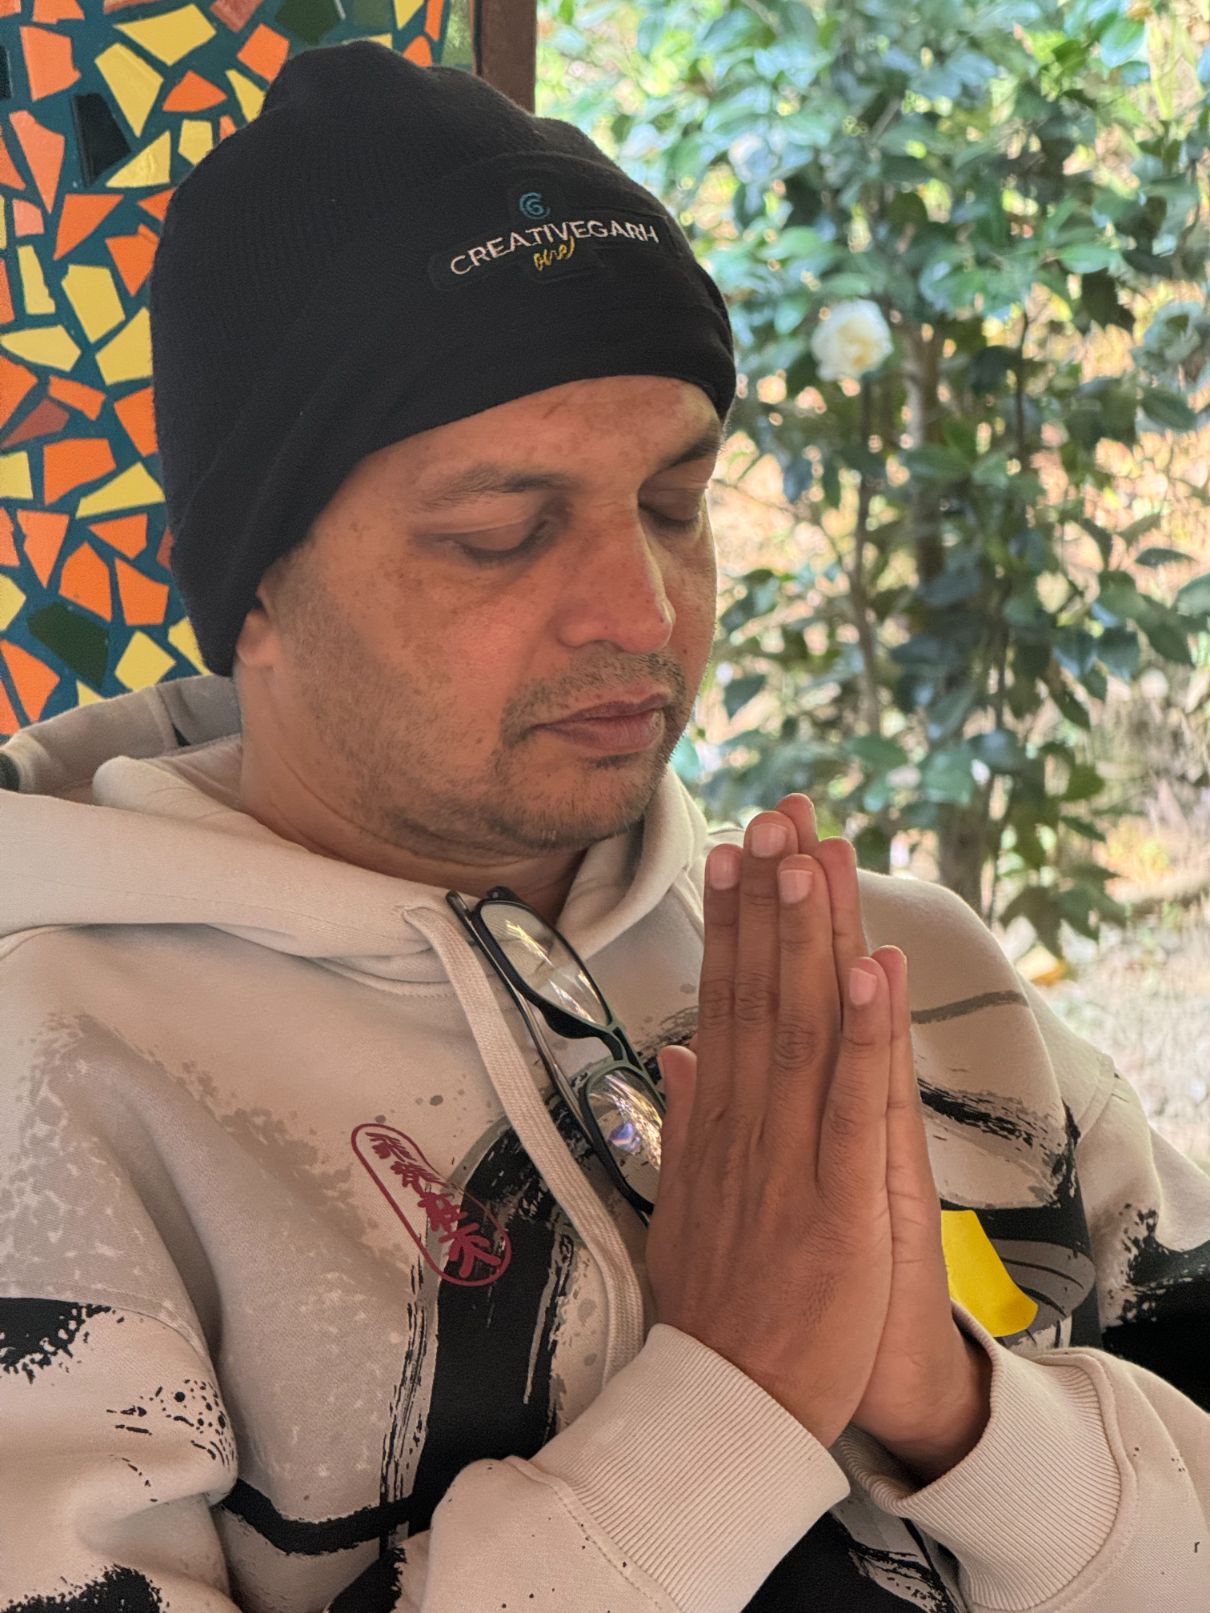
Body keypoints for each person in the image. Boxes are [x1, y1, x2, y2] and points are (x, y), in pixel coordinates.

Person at [0, 39, 1206, 1613]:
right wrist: (732, 1397)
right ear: (255, 593)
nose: (640, 612)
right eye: (500, 534)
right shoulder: (53, 1080)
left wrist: (962, 1408)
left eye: (673, 505)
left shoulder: (901, 981)